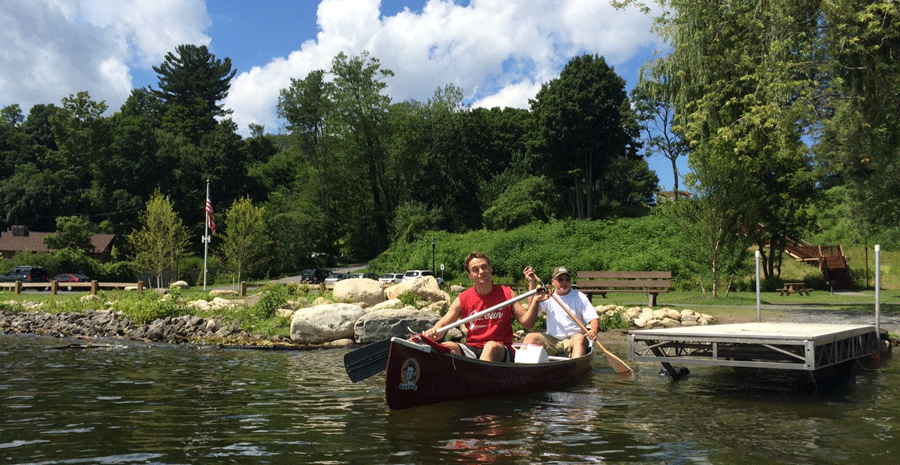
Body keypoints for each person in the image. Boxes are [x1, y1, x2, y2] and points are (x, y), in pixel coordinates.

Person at [422, 251, 545, 362]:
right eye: (475, 269)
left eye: (484, 267)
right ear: (470, 275)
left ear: (490, 268)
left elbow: (528, 323)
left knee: (490, 346)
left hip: (500, 349)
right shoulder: (463, 298)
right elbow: (443, 324)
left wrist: (535, 302)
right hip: (472, 349)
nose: (481, 272)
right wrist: (432, 333)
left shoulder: (507, 293)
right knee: (448, 346)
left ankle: (477, 381)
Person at [522, 266, 599, 358]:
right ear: (553, 282)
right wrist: (531, 283)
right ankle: (521, 367)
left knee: (580, 339)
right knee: (530, 338)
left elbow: (593, 318)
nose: (564, 282)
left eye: (567, 279)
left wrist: (593, 330)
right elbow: (531, 309)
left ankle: (575, 368)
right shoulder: (548, 296)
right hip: (552, 340)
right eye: (560, 279)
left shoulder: (579, 296)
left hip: (573, 339)